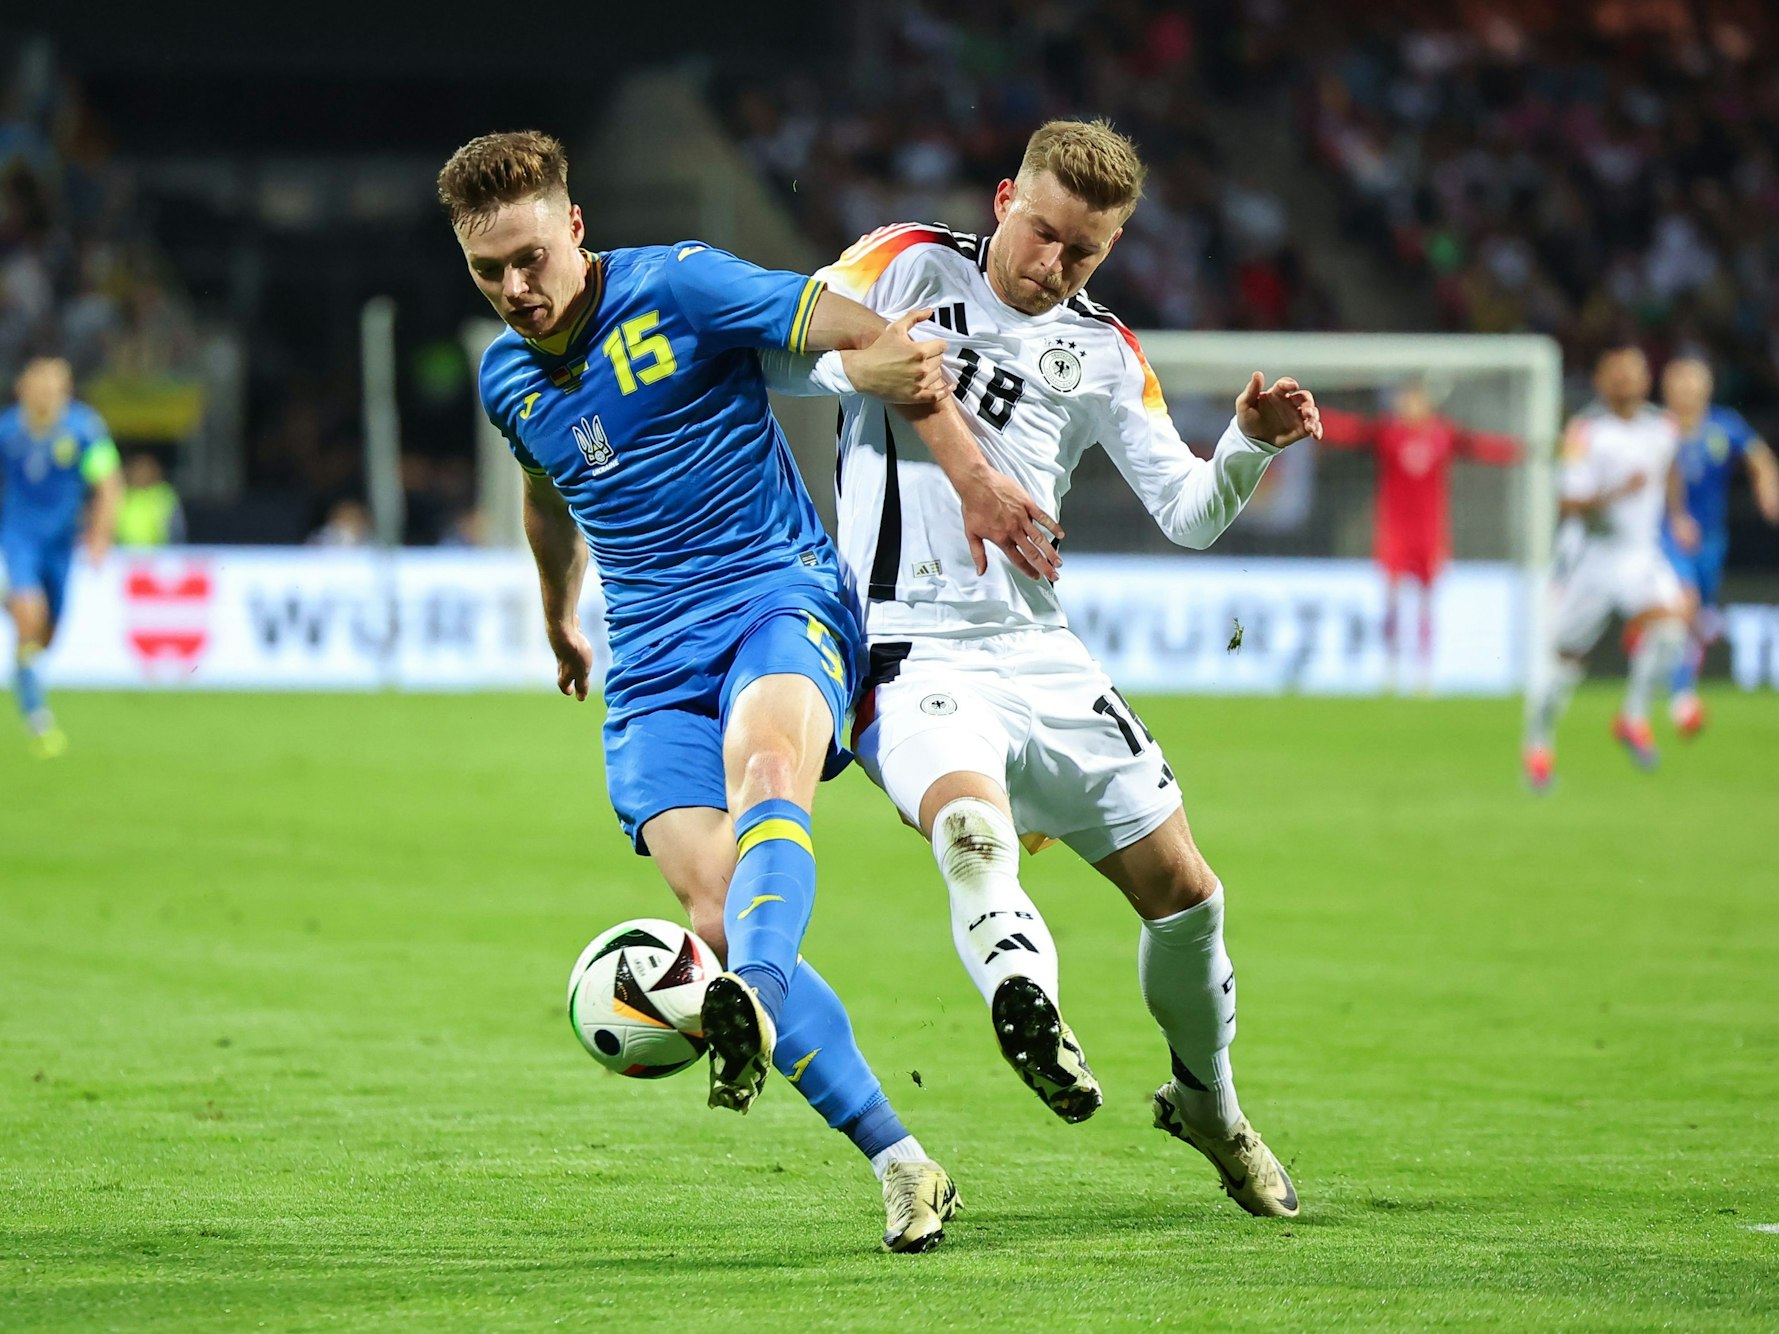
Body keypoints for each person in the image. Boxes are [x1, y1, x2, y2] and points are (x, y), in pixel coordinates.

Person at [438, 130, 1062, 1253]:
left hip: (773, 593)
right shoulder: (504, 378)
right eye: (489, 272)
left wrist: (946, 452)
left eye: (530, 257)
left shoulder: (678, 282)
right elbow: (546, 495)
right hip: (648, 663)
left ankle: (755, 992)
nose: (515, 290)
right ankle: (905, 1162)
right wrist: (555, 613)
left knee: (767, 771)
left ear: (574, 228)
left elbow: (867, 335)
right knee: (714, 909)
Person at [772, 120, 1321, 1218]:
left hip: (1042, 652)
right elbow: (791, 347)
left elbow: (1189, 513)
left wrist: (1249, 446)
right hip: (907, 640)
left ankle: (1208, 1102)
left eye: (1085, 251)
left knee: (1188, 896)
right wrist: (867, 363)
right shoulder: (906, 260)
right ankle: (1029, 1000)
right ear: (1002, 201)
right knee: (969, 830)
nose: (1053, 265)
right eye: (1043, 233)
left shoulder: (1108, 353)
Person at [1523, 346, 1688, 789]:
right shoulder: (1585, 433)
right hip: (1592, 559)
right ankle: (1538, 744)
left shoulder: (1663, 428)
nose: (1626, 381)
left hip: (1640, 555)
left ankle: (1632, 718)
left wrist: (1678, 515)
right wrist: (1618, 492)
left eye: (1634, 373)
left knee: (1673, 630)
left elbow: (1668, 470)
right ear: (1601, 381)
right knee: (1565, 663)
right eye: (1617, 373)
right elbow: (1571, 504)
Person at [1318, 381, 1519, 693]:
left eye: (1415, 401)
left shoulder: (1444, 434)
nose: (1409, 406)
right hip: (1395, 529)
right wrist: (1314, 421)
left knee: (1426, 602)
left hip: (1430, 531)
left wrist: (1520, 450)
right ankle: (1391, 667)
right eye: (1405, 401)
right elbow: (1350, 431)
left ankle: (1423, 671)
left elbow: (1480, 446)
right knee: (1393, 601)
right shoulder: (1387, 432)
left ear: (1427, 404)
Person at [0, 356, 121, 756]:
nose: (46, 395)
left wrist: (100, 535)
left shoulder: (84, 430)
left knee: (45, 636)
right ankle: (36, 716)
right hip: (18, 537)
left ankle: (12, 606)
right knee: (29, 617)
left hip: (61, 545)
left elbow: (108, 482)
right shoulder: (8, 432)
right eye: (39, 387)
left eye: (54, 388)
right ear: (23, 390)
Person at [1658, 356, 1779, 736]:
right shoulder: (1659, 429)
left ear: (1707, 389)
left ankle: (1678, 676)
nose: (1687, 391)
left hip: (1711, 540)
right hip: (1665, 535)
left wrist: (1767, 487)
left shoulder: (1723, 426)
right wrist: (1675, 517)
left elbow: (1759, 456)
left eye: (1694, 384)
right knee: (1687, 602)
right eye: (1680, 384)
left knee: (1699, 617)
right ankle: (1680, 697)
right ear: (1667, 389)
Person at [115, 450, 186, 547]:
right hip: (121, 556)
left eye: (145, 467)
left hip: (159, 556)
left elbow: (176, 531)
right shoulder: (119, 493)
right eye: (137, 467)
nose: (141, 472)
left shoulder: (164, 495)